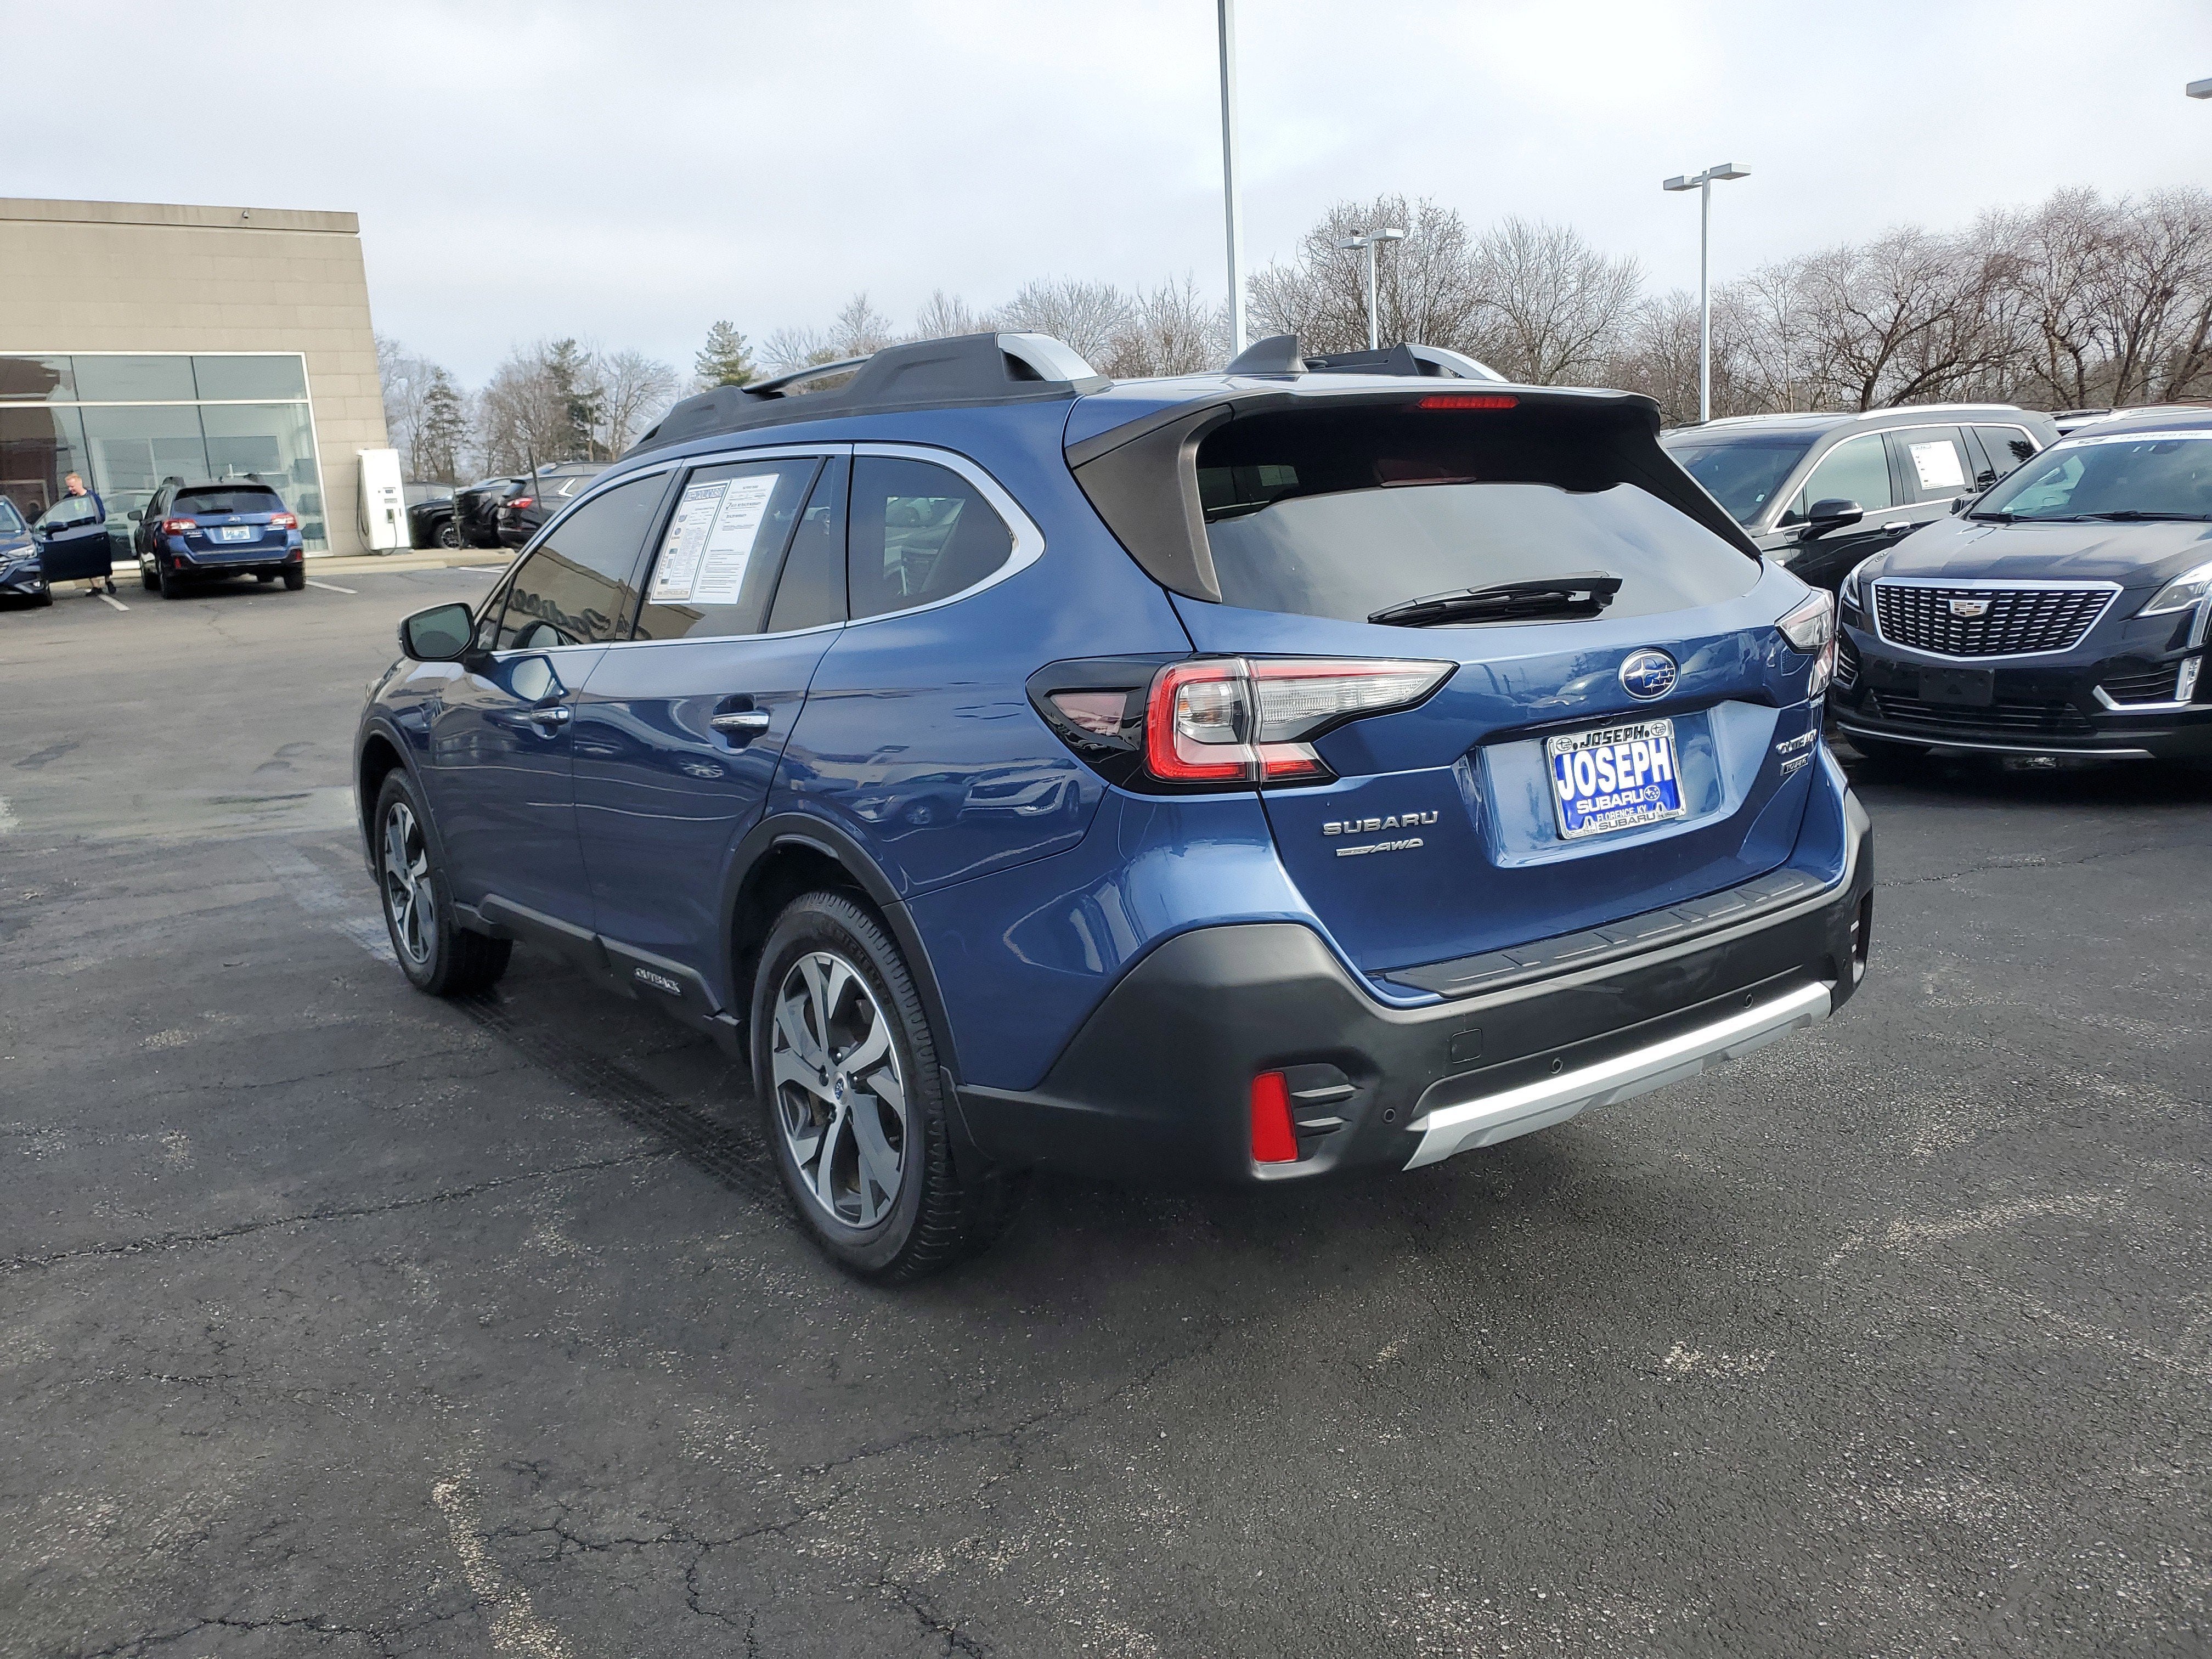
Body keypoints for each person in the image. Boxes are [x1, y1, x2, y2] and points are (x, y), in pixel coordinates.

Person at [59, 474, 116, 596]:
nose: (70, 489)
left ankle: (108, 581)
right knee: (87, 559)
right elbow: (66, 516)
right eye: (68, 487)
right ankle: (96, 586)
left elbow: (101, 515)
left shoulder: (93, 497)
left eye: (72, 486)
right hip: (79, 533)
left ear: (80, 484)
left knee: (102, 557)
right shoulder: (68, 499)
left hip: (94, 531)